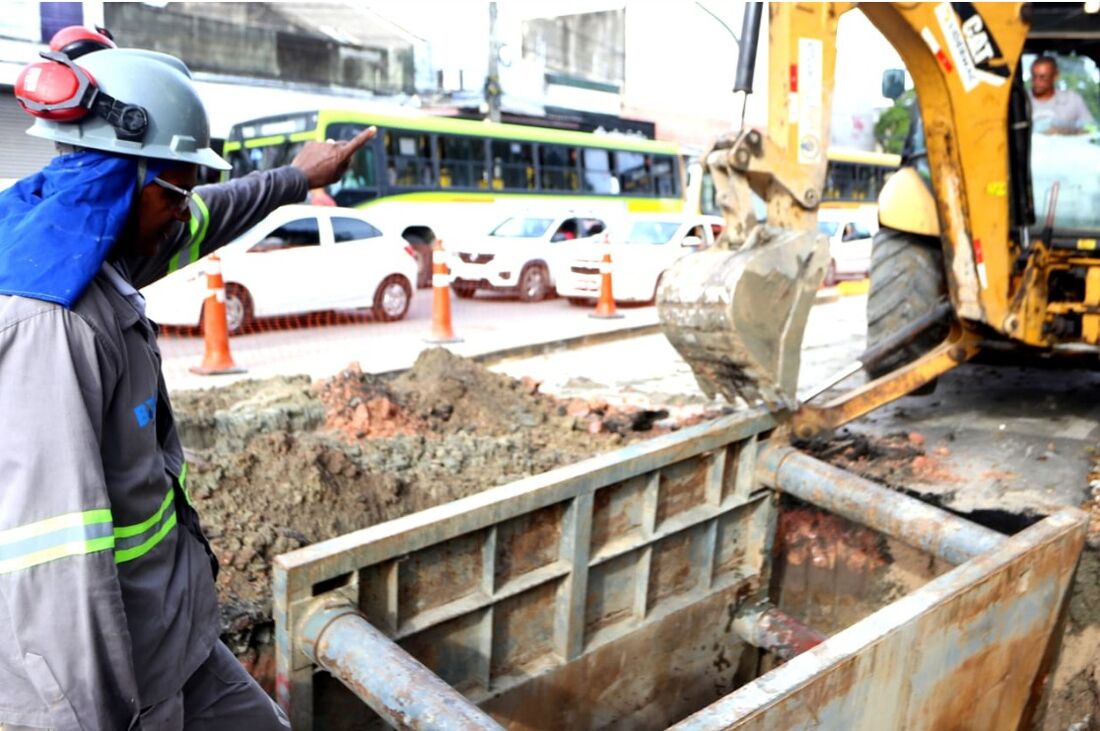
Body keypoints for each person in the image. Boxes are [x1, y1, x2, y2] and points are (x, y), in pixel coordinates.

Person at [0, 38, 376, 730]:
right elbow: (55, 572)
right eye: (178, 188)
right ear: (125, 176)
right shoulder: (52, 323)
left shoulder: (87, 239)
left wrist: (296, 177)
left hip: (174, 640)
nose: (187, 209)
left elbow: (209, 216)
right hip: (111, 686)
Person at [1029, 56, 1097, 135]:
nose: (1037, 81)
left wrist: (1064, 130)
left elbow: (1092, 128)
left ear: (1055, 76)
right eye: (1034, 76)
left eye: (1043, 77)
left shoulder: (1072, 99)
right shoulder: (1020, 101)